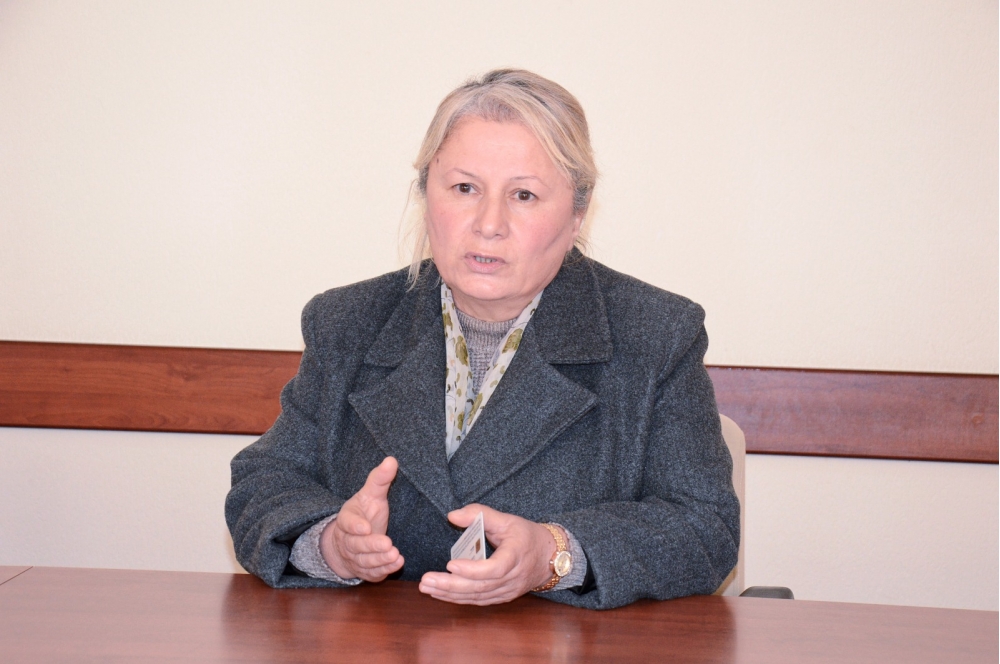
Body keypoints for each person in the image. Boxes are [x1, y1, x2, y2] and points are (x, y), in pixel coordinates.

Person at [225, 69, 739, 610]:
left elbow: (705, 528)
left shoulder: (655, 335)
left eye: (524, 195)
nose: (489, 223)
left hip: (560, 645)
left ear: (577, 214)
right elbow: (264, 482)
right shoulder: (348, 323)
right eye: (464, 188)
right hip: (381, 642)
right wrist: (330, 543)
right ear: (426, 195)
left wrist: (555, 554)